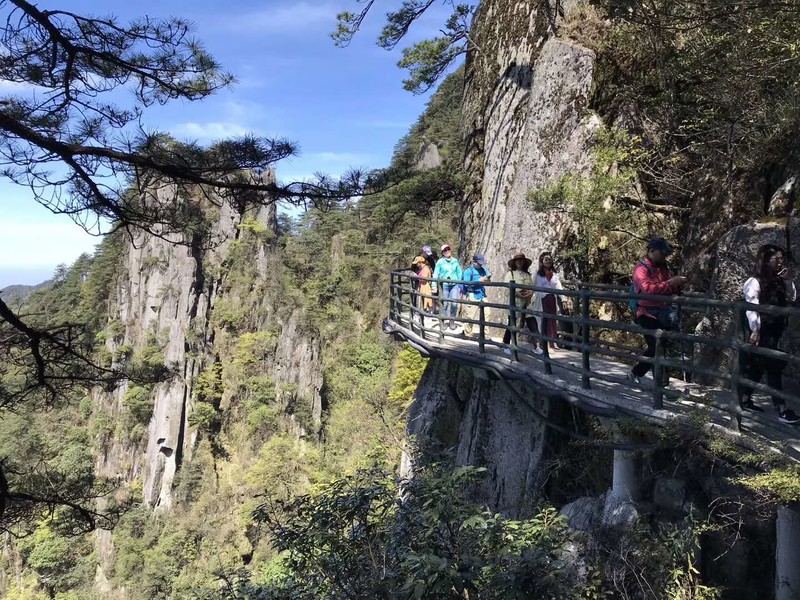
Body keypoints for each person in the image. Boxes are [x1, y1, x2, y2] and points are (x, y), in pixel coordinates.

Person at [738, 244, 799, 424]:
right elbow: (752, 307)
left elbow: (791, 297)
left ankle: (744, 399)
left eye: (781, 259)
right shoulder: (754, 281)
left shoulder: (778, 279)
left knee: (759, 365)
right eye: (776, 259)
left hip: (775, 328)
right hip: (762, 330)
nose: (780, 262)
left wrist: (788, 280)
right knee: (774, 365)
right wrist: (755, 329)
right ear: (765, 260)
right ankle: (781, 409)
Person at [627, 237, 687, 385]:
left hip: (664, 312)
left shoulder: (663, 267)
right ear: (651, 251)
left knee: (659, 348)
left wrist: (676, 285)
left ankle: (638, 374)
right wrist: (670, 283)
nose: (664, 256)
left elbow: (667, 287)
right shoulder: (641, 269)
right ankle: (660, 385)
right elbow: (647, 289)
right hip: (646, 313)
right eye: (662, 253)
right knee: (656, 347)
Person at [502, 253, 543, 355]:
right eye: (518, 260)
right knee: (512, 324)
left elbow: (532, 287)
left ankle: (537, 346)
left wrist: (530, 293)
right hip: (515, 302)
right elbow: (508, 289)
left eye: (522, 260)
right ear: (514, 262)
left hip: (527, 303)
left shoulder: (528, 275)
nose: (520, 262)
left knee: (532, 324)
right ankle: (506, 344)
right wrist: (520, 294)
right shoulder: (510, 274)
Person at [532, 252, 569, 349]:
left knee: (552, 320)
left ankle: (553, 341)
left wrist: (563, 299)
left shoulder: (554, 274)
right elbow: (532, 286)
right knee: (543, 320)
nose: (548, 261)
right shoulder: (538, 275)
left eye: (549, 259)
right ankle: (546, 342)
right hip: (542, 300)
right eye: (545, 259)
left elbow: (558, 287)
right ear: (542, 261)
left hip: (552, 299)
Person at [461, 253, 491, 339]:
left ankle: (486, 335)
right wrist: (479, 280)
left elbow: (488, 279)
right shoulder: (468, 271)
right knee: (471, 316)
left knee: (487, 313)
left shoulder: (483, 270)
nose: (480, 265)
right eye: (478, 263)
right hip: (472, 294)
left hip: (482, 294)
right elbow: (466, 284)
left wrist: (487, 279)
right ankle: (468, 334)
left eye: (481, 263)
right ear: (473, 262)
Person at [432, 244, 462, 330]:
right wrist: (434, 285)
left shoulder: (455, 261)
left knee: (454, 303)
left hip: (454, 285)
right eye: (445, 250)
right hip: (444, 285)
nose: (447, 251)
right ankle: (443, 321)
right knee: (444, 304)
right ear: (442, 252)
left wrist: (461, 285)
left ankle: (452, 321)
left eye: (448, 249)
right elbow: (436, 273)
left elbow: (459, 273)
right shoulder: (440, 262)